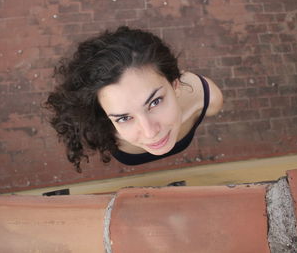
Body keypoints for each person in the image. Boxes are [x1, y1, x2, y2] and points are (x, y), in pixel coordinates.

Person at [46, 26, 223, 172]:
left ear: (175, 85)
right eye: (123, 118)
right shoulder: (95, 127)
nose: (150, 133)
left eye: (155, 102)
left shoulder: (208, 98)